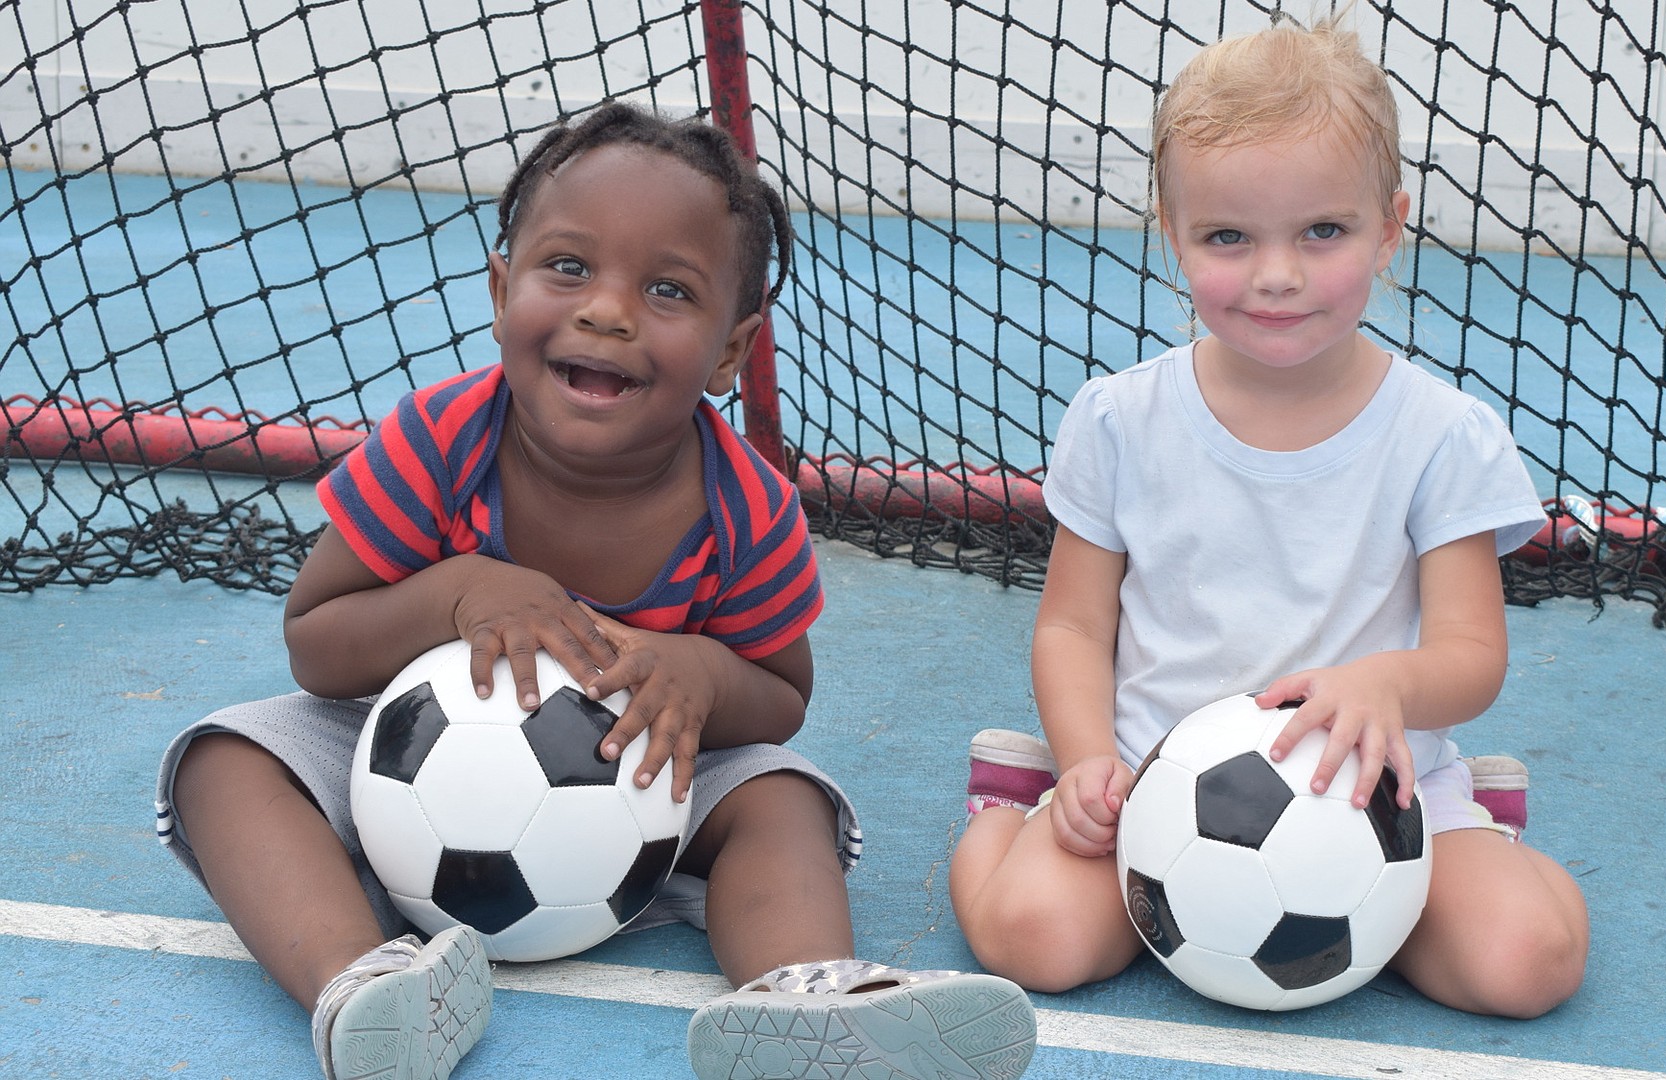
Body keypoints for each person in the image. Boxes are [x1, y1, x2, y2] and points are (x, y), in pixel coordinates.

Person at [154, 102, 1036, 1080]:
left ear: (732, 352)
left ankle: (807, 1000)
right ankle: (361, 986)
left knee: (786, 801)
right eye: (568, 268)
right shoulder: (439, 441)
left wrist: (703, 671)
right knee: (223, 760)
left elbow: (781, 696)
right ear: (501, 290)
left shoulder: (747, 506)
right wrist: (455, 593)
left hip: (653, 786)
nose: (607, 311)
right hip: (398, 767)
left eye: (667, 289)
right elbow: (316, 643)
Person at [948, 15, 1589, 1019]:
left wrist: (1384, 683)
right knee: (1038, 939)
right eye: (1229, 237)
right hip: (1158, 785)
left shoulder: (1442, 436)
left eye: (1322, 231)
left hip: (1384, 791)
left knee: (1530, 963)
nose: (1277, 274)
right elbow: (1074, 625)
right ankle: (1005, 807)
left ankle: (1485, 823)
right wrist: (1085, 763)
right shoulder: (1122, 422)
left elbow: (1473, 655)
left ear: (1391, 226)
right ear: (1172, 235)